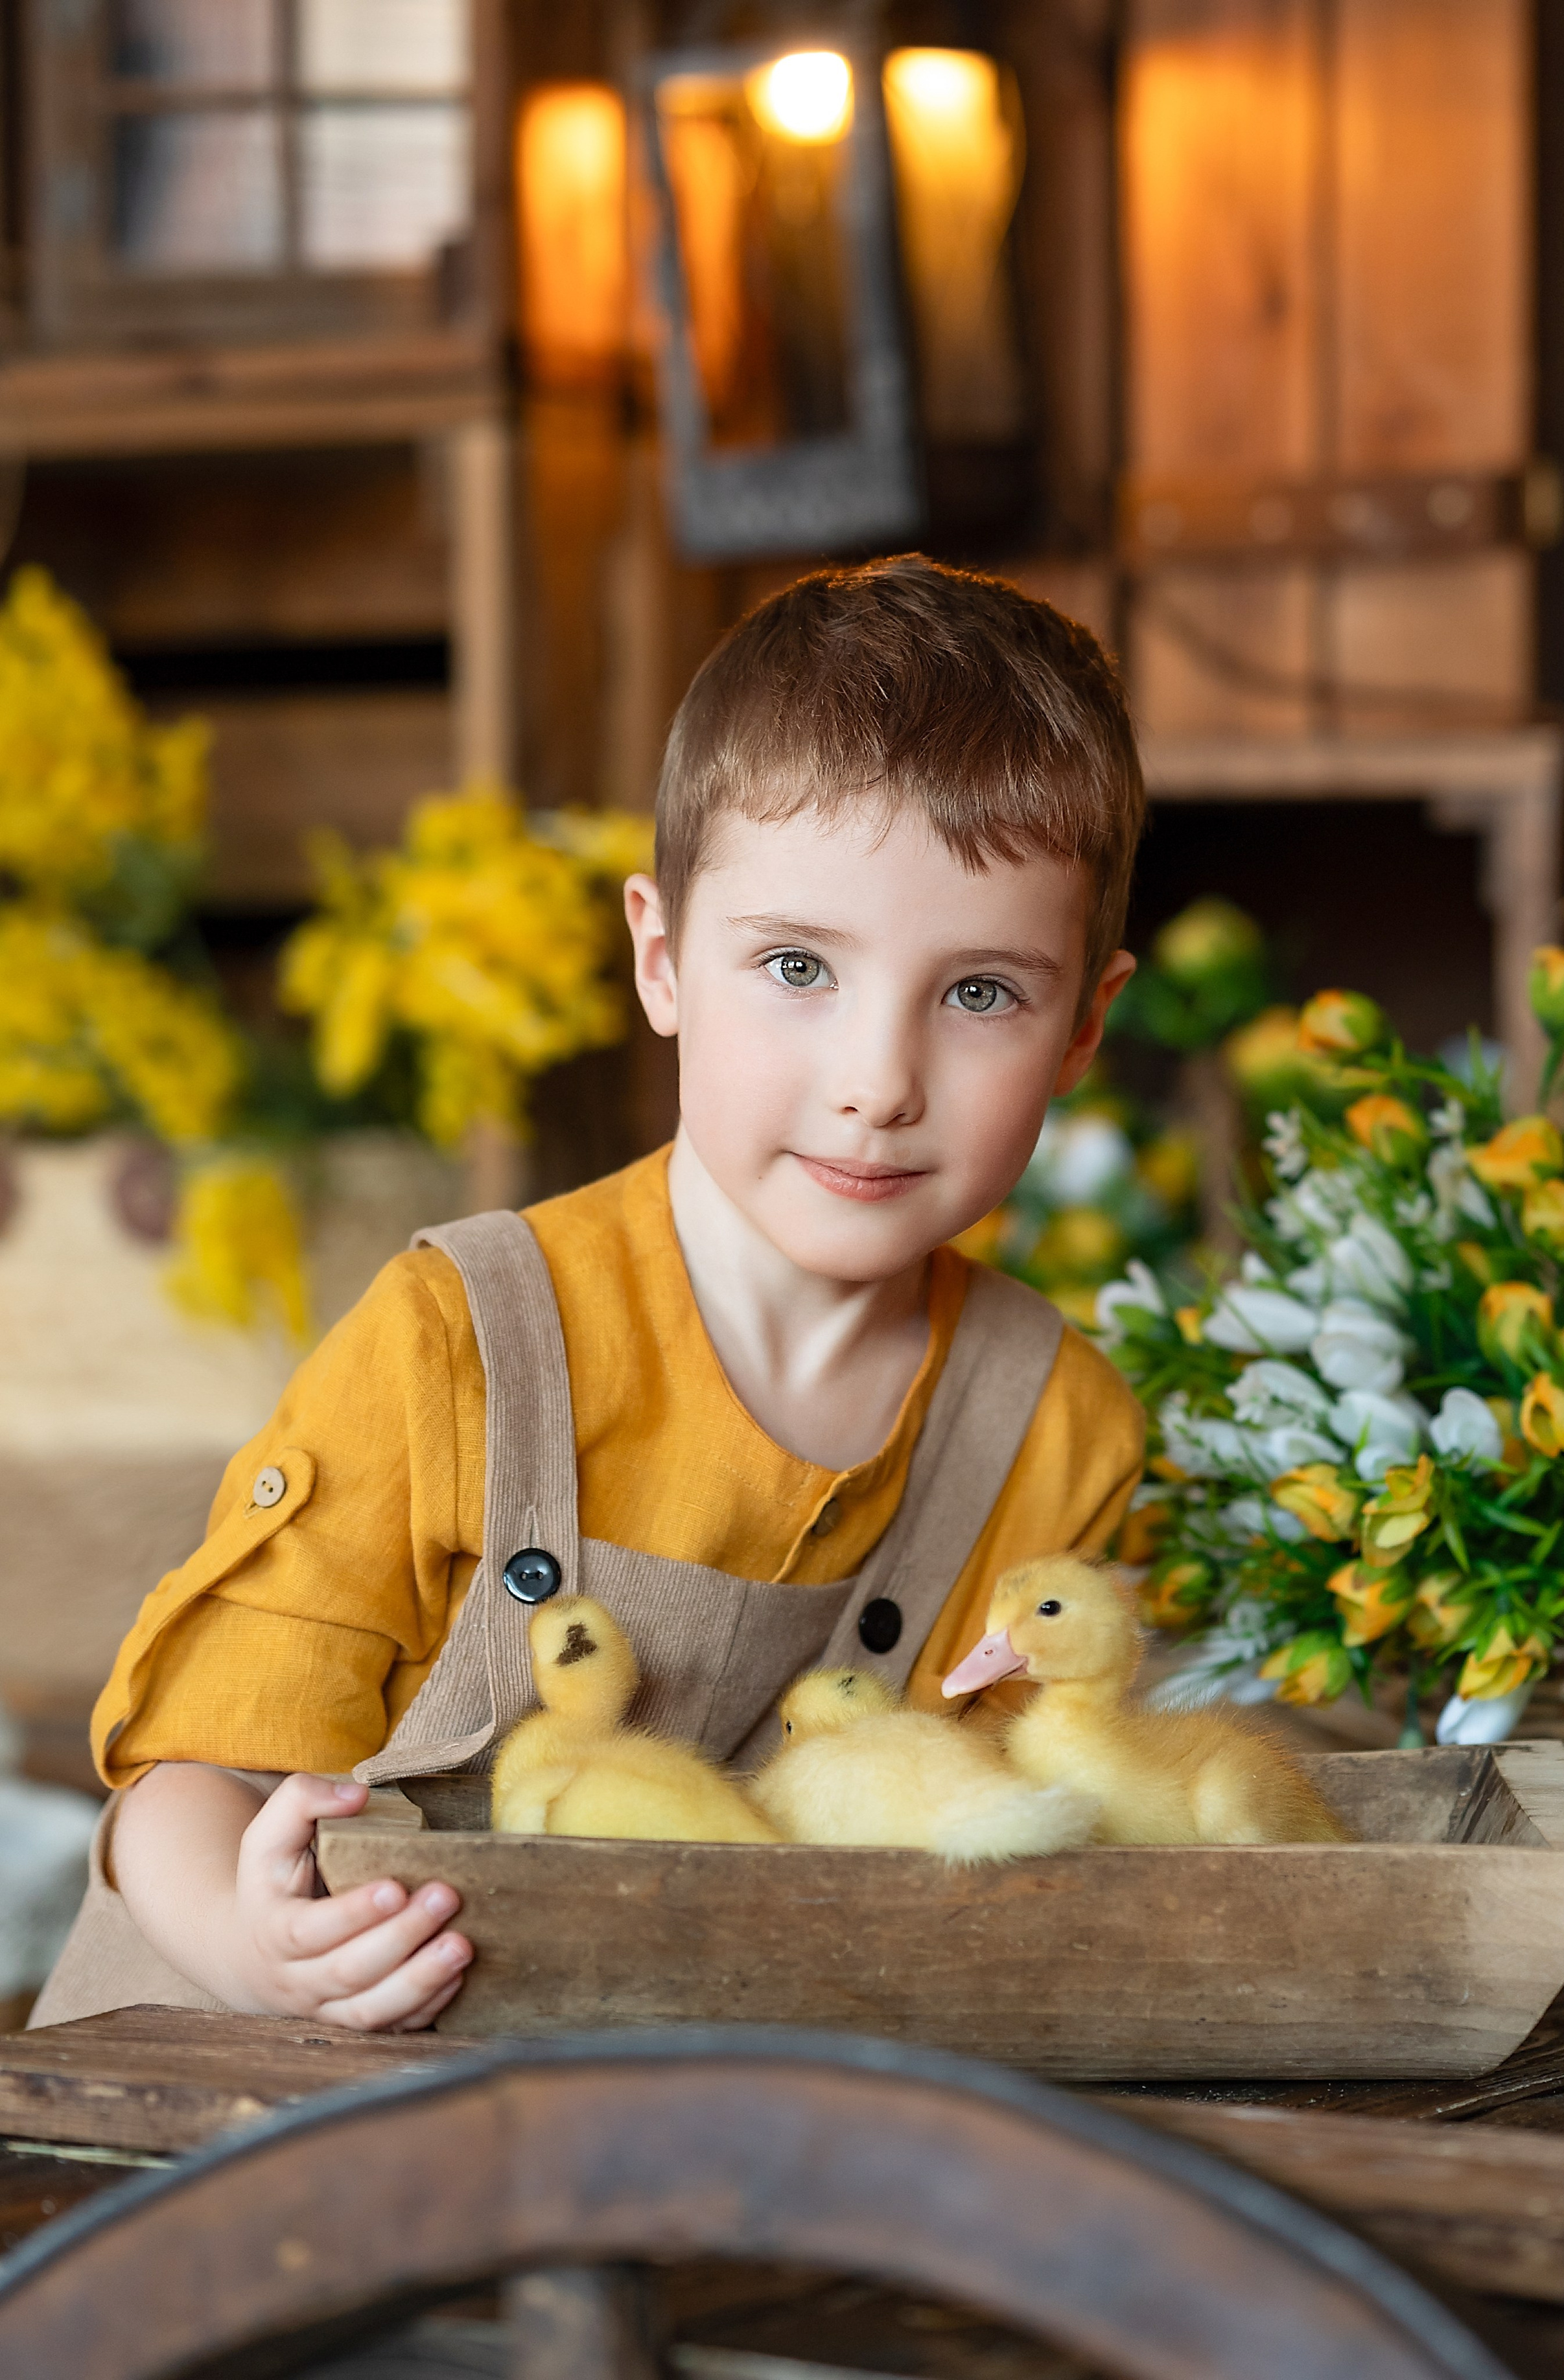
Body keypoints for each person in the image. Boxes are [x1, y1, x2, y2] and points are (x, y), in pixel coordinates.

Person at [34, 555, 1147, 2033]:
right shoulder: (463, 1342)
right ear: (663, 956)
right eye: (799, 966)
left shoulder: (1057, 1426)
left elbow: (1022, 1849)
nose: (878, 1083)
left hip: (682, 2139)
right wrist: (256, 1952)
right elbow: (183, 1779)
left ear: (1083, 1026)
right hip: (243, 2103)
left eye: (979, 994)